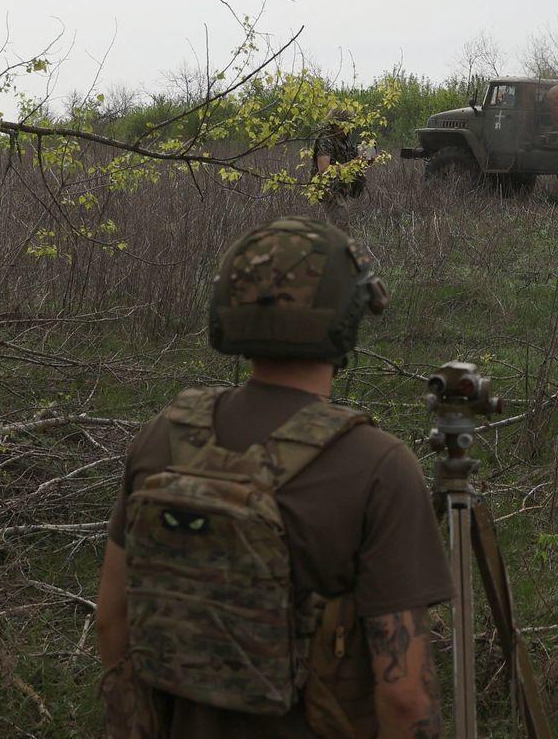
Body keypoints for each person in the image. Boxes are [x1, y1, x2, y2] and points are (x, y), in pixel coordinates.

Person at [96, 217, 451, 738]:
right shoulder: (378, 466)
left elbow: (112, 621)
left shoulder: (162, 437)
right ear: (347, 319)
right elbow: (404, 698)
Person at [312, 110, 368, 201]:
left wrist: (363, 162)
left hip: (344, 192)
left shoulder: (344, 140)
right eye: (344, 124)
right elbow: (324, 171)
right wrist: (353, 164)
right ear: (334, 123)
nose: (347, 128)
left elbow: (351, 161)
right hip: (329, 194)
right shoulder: (325, 139)